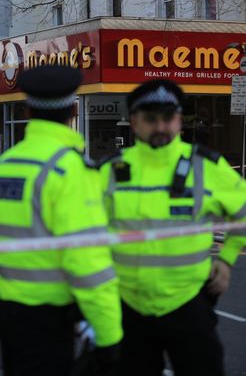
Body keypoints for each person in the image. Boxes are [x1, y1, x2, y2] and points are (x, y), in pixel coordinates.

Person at [0, 66, 122, 376]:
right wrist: (110, 336)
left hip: (9, 309)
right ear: (73, 109)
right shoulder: (70, 170)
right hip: (52, 315)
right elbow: (87, 260)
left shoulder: (0, 168)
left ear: (27, 109)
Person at [98, 79, 246, 376]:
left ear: (179, 120)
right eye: (151, 119)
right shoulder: (109, 170)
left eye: (168, 117)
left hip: (188, 304)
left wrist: (227, 261)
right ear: (135, 122)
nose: (161, 126)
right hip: (127, 308)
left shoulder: (207, 167)